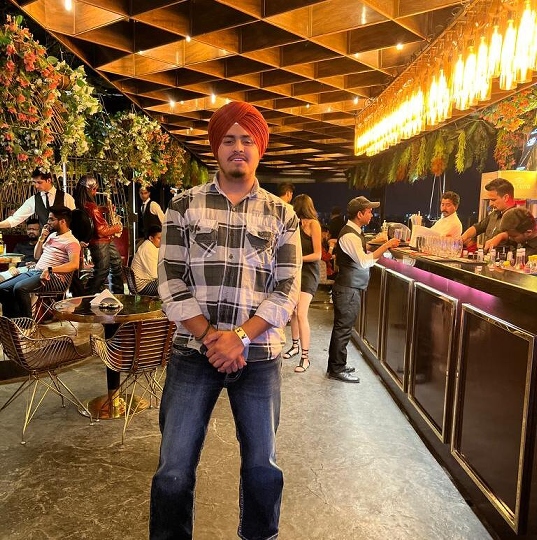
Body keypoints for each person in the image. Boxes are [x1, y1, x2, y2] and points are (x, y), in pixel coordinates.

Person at [149, 101, 301, 540]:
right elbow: (170, 279)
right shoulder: (184, 206)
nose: (238, 147)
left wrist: (240, 338)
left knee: (262, 469)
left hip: (259, 357)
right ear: (216, 147)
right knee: (173, 470)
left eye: (247, 140)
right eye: (229, 139)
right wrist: (214, 337)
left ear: (260, 148)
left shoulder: (282, 214)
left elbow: (287, 288)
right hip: (192, 354)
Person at [327, 196, 400, 383]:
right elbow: (364, 261)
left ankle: (338, 364)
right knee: (343, 329)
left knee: (344, 328)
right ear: (359, 214)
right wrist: (387, 245)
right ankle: (336, 369)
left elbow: (358, 252)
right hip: (347, 288)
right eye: (369, 211)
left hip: (349, 288)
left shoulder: (353, 232)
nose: (371, 214)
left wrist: (375, 243)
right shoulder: (350, 235)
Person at [0, 206, 80, 319]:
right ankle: (12, 321)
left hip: (53, 277)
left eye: (51, 219)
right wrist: (41, 238)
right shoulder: (52, 236)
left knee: (20, 288)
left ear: (62, 221)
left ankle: (28, 323)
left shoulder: (71, 242)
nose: (48, 222)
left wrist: (50, 270)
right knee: (2, 287)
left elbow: (74, 264)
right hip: (36, 272)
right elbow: (36, 256)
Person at [282, 193, 322, 373]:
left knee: (301, 313)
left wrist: (298, 259)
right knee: (293, 312)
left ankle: (305, 358)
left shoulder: (314, 224)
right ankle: (295, 346)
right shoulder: (295, 224)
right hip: (296, 272)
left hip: (309, 273)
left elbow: (317, 255)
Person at [73, 175, 124, 295]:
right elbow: (101, 231)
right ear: (89, 189)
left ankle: (118, 294)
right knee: (102, 270)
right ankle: (87, 296)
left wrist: (102, 209)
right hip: (100, 241)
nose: (95, 192)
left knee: (116, 263)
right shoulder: (91, 206)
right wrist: (116, 228)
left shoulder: (82, 203)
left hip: (103, 240)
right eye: (94, 189)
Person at [0, 168, 75, 229]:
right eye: (34, 182)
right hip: (44, 240)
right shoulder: (34, 200)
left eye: (39, 182)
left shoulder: (66, 197)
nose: (36, 186)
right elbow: (15, 219)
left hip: (65, 240)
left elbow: (75, 220)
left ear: (49, 180)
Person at [461, 178, 516, 251]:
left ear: (506, 198)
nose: (490, 204)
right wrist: (462, 238)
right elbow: (478, 227)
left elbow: (518, 235)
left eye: (493, 200)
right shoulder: (494, 214)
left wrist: (500, 237)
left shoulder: (518, 216)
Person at [130, 225, 161, 294]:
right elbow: (155, 274)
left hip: (145, 283)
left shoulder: (150, 246)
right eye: (159, 238)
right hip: (143, 286)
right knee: (173, 282)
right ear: (151, 238)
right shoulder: (148, 249)